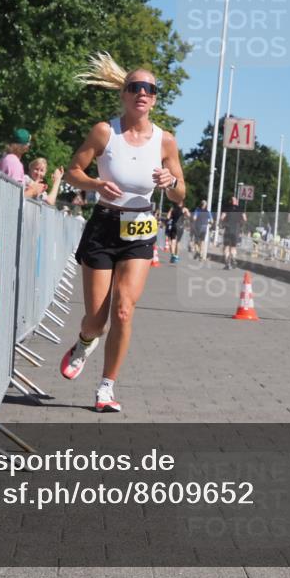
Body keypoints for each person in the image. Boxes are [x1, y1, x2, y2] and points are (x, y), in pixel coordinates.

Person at [61, 53, 185, 412]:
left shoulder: (165, 142)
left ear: (155, 98)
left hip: (141, 228)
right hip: (103, 225)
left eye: (149, 89)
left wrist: (170, 180)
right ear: (124, 94)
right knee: (96, 319)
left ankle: (106, 387)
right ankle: (85, 342)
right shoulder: (105, 131)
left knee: (124, 311)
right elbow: (72, 172)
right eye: (135, 87)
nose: (142, 93)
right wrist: (96, 183)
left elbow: (180, 194)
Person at [0, 129, 41, 199]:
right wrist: (34, 190)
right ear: (25, 147)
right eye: (28, 144)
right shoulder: (14, 163)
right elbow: (15, 196)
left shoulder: (6, 158)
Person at [220, 196, 246, 270]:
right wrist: (240, 225)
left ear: (230, 202)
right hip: (236, 230)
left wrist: (222, 224)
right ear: (236, 202)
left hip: (228, 229)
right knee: (233, 247)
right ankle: (234, 258)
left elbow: (222, 218)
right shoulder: (240, 209)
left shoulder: (227, 208)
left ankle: (227, 263)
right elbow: (245, 219)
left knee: (226, 246)